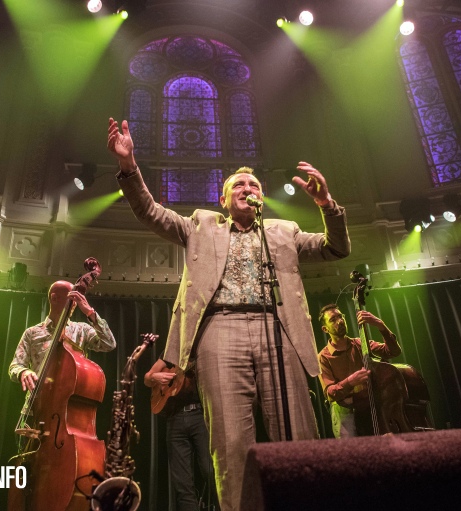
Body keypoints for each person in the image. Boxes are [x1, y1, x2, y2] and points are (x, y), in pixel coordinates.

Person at [107, 117, 350, 510]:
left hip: (279, 328)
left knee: (299, 435)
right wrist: (128, 165)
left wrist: (326, 205)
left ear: (261, 198)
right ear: (223, 200)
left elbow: (336, 248)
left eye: (253, 185)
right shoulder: (201, 226)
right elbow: (150, 211)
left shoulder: (284, 230)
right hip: (220, 331)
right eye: (238, 185)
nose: (247, 189)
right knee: (231, 443)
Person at [8, 280, 116, 415]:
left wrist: (90, 313)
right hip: (36, 408)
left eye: (77, 300)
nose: (75, 304)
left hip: (69, 411)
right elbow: (15, 366)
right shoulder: (31, 333)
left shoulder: (82, 330)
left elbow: (109, 344)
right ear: (54, 298)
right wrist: (23, 372)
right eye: (72, 298)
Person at [317, 304, 402, 438]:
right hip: (344, 410)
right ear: (325, 329)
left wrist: (381, 326)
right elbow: (330, 393)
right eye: (333, 319)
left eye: (340, 316)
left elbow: (393, 351)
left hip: (369, 406)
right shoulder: (323, 356)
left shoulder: (359, 343)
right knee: (353, 452)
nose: (339, 321)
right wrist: (350, 381)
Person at [145, 356, 217, 511]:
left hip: (200, 415)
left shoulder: (199, 350)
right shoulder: (171, 352)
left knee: (209, 470)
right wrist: (155, 377)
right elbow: (147, 377)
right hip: (174, 419)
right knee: (182, 483)